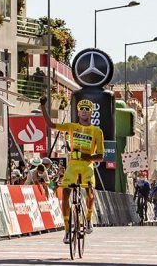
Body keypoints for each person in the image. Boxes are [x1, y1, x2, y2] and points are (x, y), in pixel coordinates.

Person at [40, 97, 104, 244]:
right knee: (66, 194)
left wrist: (86, 156)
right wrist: (43, 106)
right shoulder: (71, 127)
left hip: (87, 165)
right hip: (73, 166)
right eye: (81, 108)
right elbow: (50, 124)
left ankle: (88, 219)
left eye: (87, 109)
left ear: (91, 113)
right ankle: (67, 230)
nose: (83, 111)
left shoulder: (96, 131)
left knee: (90, 192)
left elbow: (100, 156)